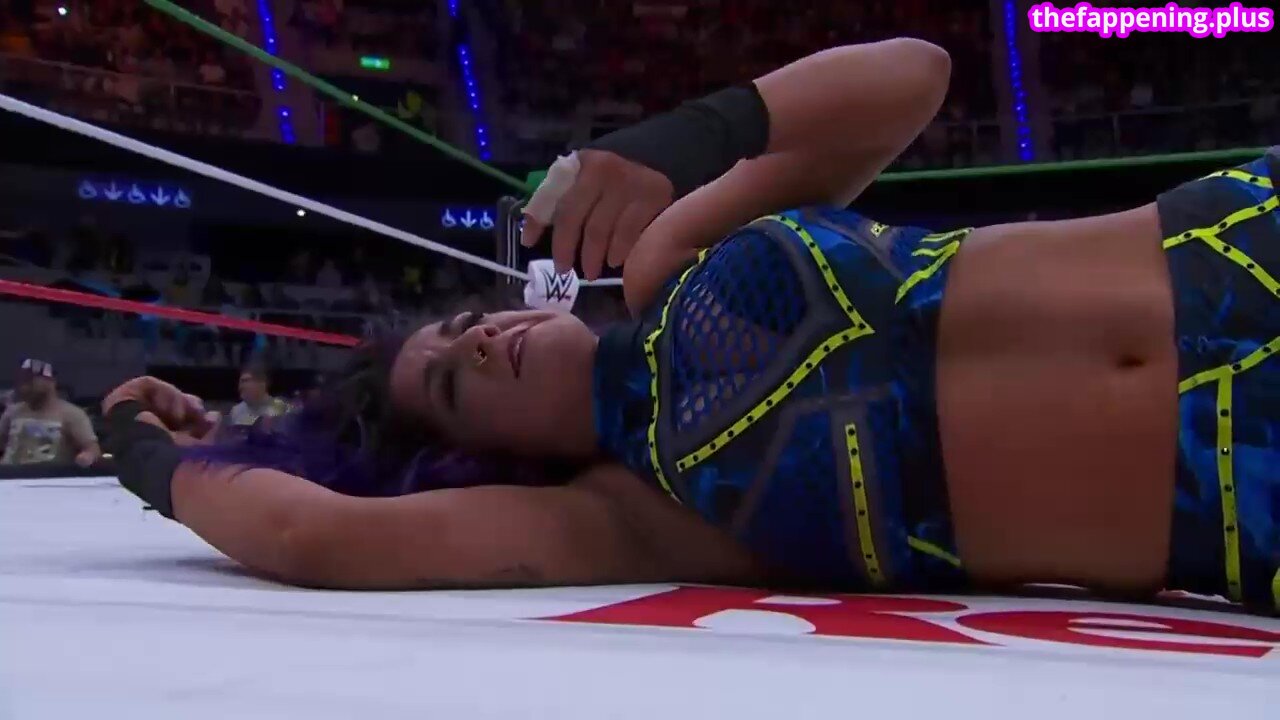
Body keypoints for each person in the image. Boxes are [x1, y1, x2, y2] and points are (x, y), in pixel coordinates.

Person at [103, 39, 1279, 613]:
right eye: (454, 382)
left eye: (464, 325)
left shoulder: (674, 261)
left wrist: (683, 140)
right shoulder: (639, 517)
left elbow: (912, 77)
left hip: (1240, 242)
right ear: (481, 457)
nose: (479, 343)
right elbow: (318, 537)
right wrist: (148, 455)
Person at [2, 359, 100, 467]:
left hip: (48, 475)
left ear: (50, 381)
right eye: (22, 381)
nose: (24, 387)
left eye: (30, 382)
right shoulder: (13, 412)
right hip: (10, 474)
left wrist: (87, 456)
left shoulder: (72, 414)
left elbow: (92, 448)